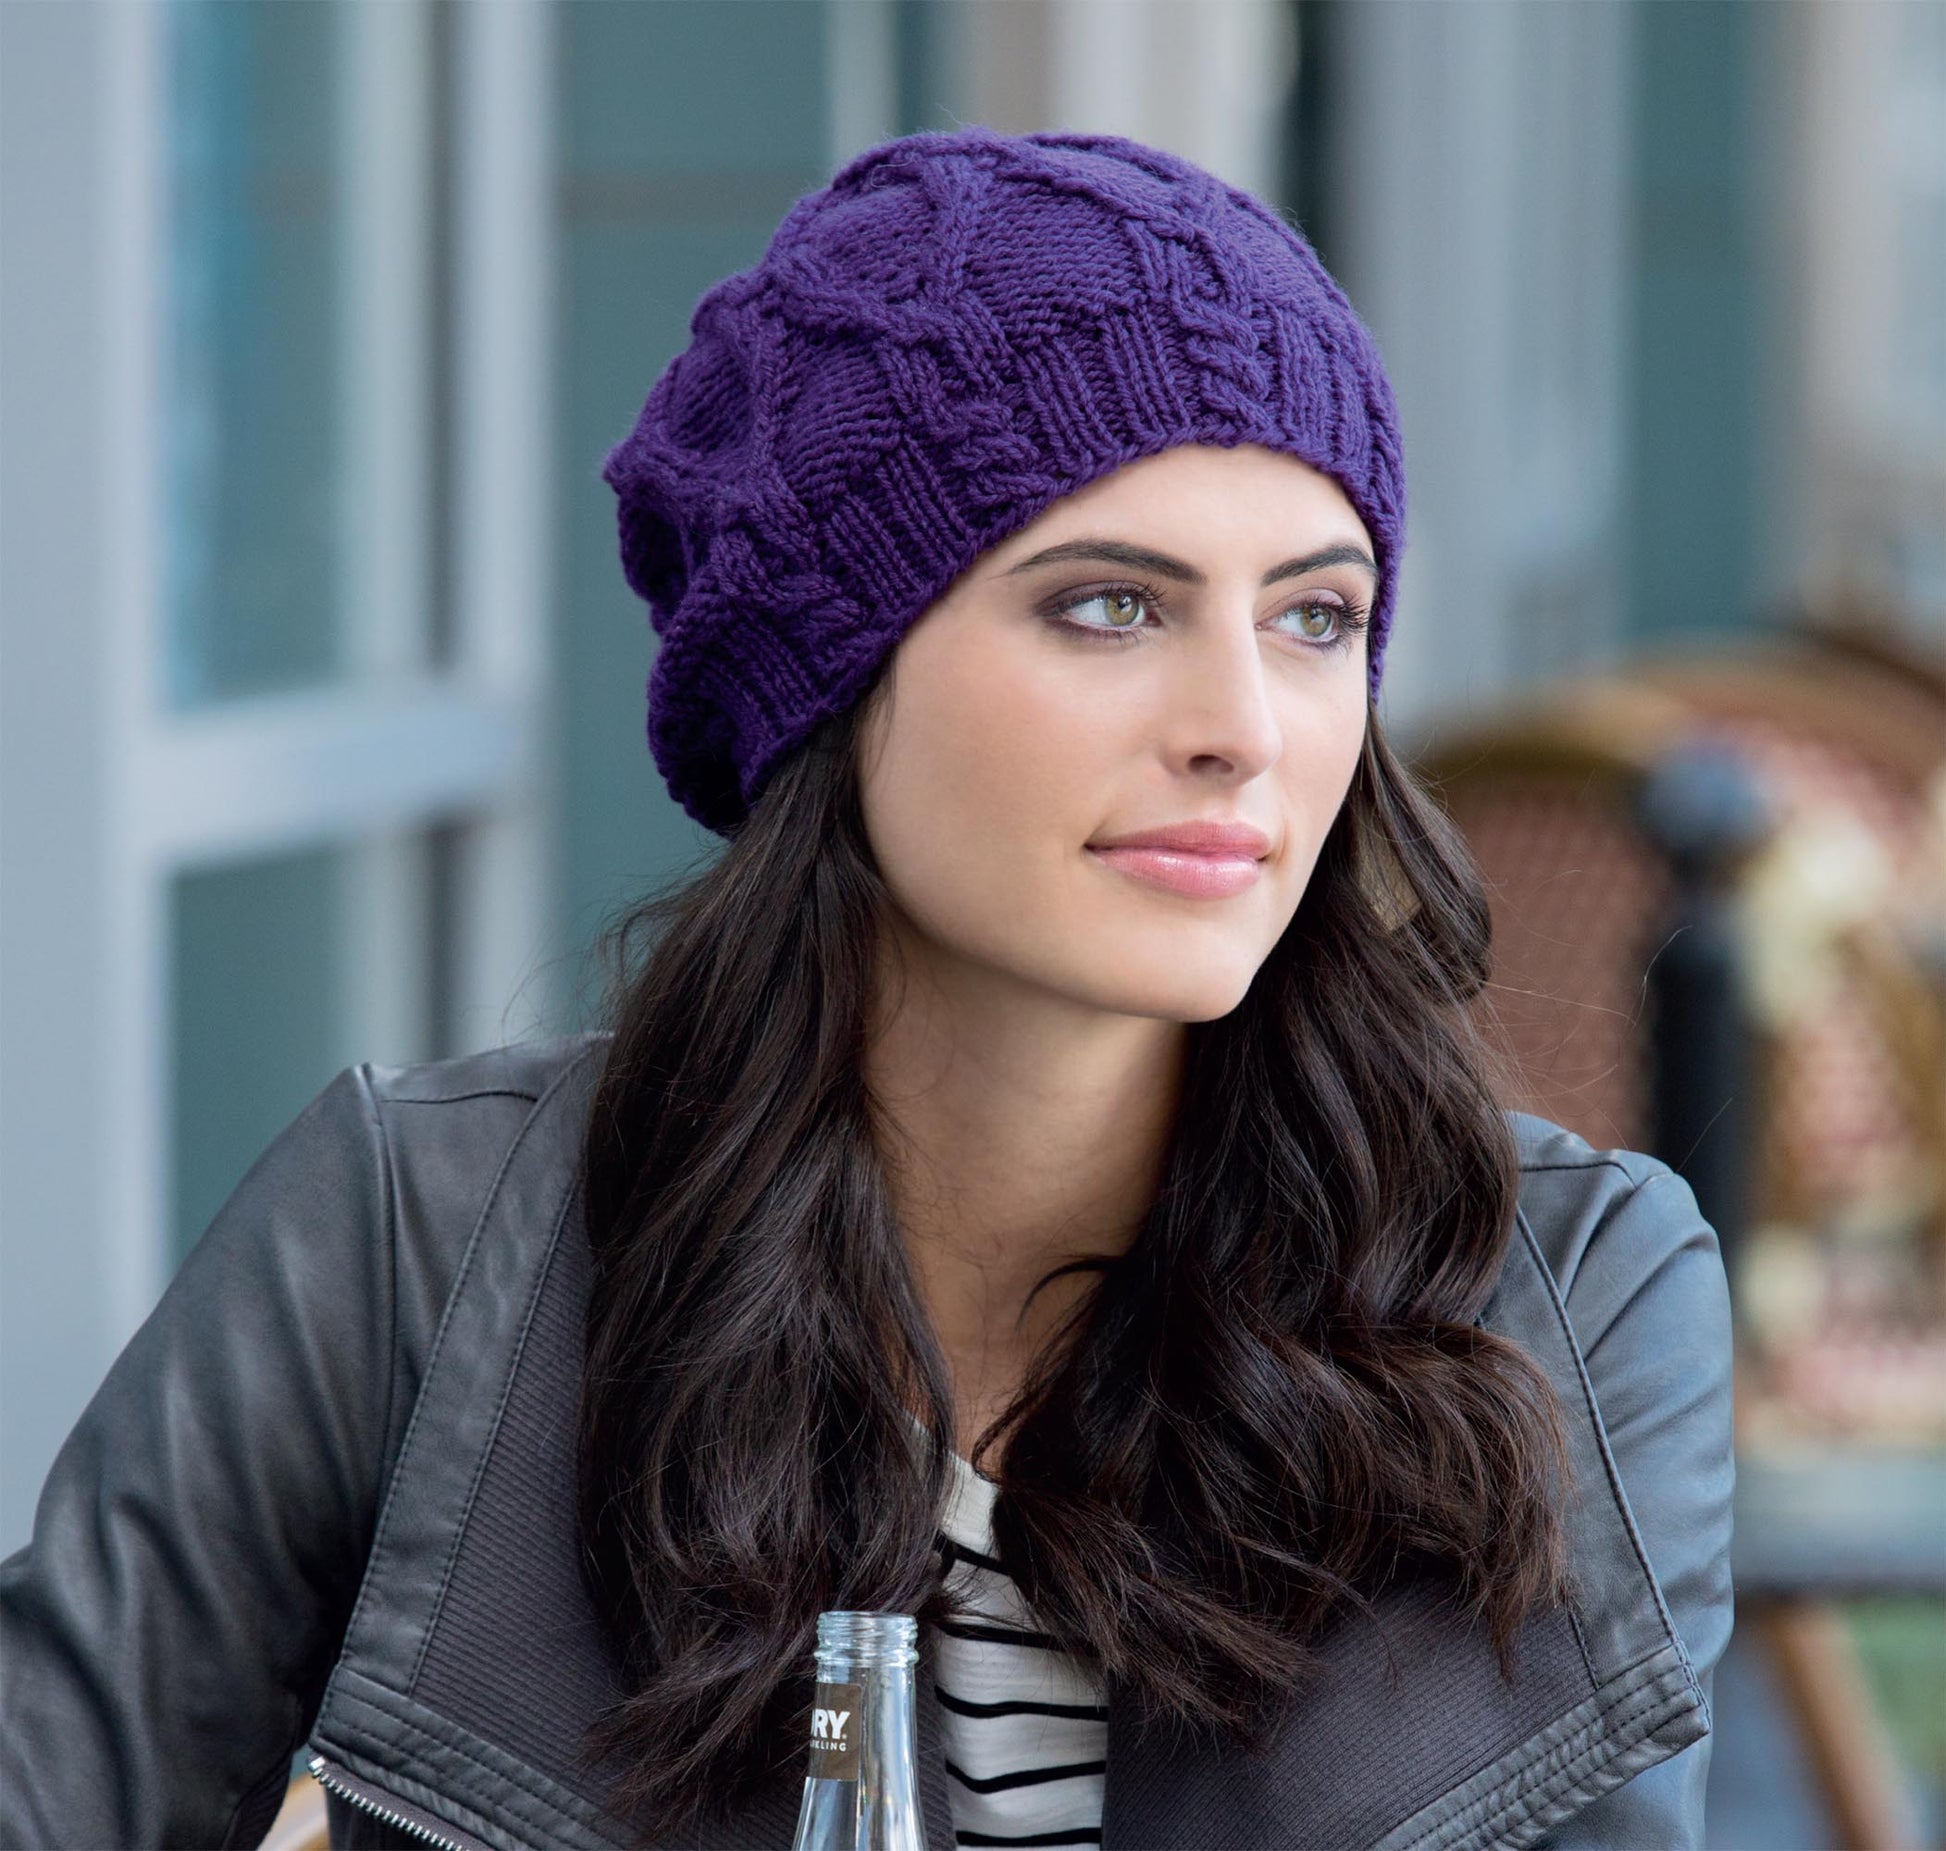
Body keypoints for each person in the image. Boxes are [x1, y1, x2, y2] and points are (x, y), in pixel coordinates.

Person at [1, 127, 1734, 1851]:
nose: (1245, 728)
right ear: (831, 684)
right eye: (1112, 606)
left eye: (1314, 616)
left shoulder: (1558, 1300)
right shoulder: (417, 1252)